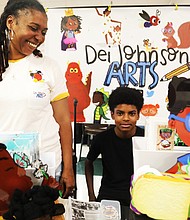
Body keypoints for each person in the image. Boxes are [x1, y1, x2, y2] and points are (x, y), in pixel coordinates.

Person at [0, 0, 75, 198]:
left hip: (46, 166)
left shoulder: (49, 67)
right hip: (4, 169)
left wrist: (68, 167)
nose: (39, 37)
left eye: (44, 32)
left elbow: (64, 121)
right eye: (33, 28)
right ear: (11, 23)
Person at [85, 87, 153, 220]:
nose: (126, 118)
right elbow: (88, 163)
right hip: (108, 196)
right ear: (112, 114)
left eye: (131, 114)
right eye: (120, 113)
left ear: (138, 115)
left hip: (138, 197)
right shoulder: (102, 139)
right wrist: (91, 196)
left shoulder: (146, 138)